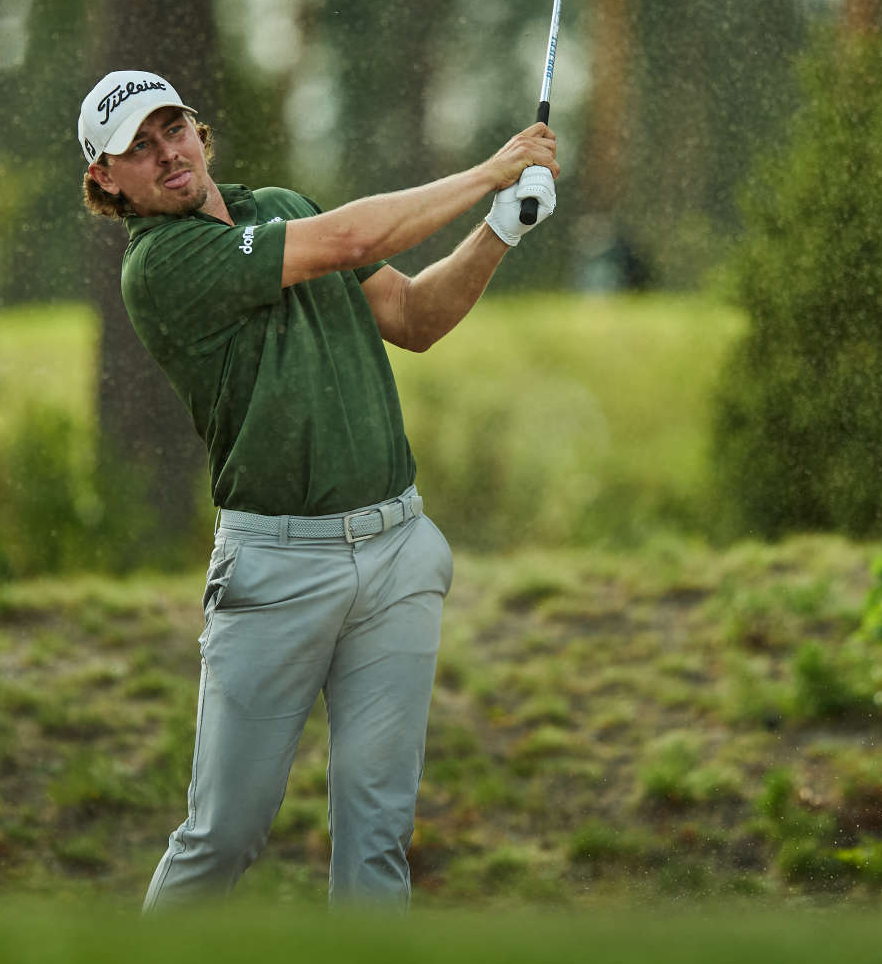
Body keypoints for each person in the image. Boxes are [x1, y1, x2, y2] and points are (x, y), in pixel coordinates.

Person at [76, 69, 558, 909]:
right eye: (138, 150)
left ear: (199, 131)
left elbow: (413, 317)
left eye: (173, 130)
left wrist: (500, 228)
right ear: (108, 183)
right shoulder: (159, 266)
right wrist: (491, 168)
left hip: (396, 551)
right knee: (223, 836)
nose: (167, 155)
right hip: (276, 572)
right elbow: (338, 244)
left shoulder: (284, 208)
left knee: (377, 838)